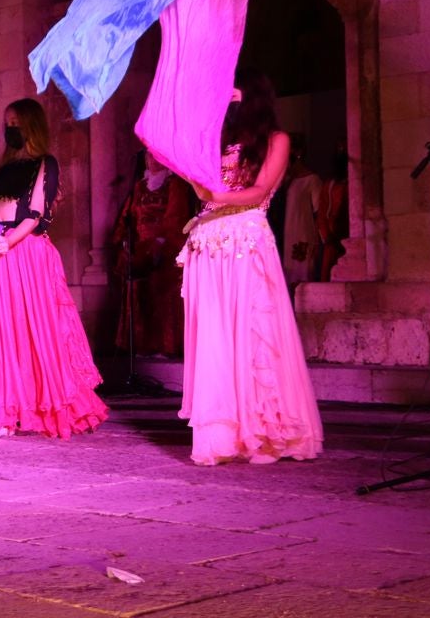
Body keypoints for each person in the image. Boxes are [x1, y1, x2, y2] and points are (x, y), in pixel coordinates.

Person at [177, 70, 324, 465]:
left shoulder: (276, 140)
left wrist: (216, 195)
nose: (225, 99)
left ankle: (265, 430)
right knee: (216, 339)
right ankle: (224, 434)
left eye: (232, 92)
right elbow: (200, 185)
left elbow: (259, 191)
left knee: (252, 334)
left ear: (251, 94)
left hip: (244, 239)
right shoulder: (217, 141)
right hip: (208, 243)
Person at [0, 97, 109, 439]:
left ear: (29, 124)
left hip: (24, 252)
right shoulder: (5, 166)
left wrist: (9, 241)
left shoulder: (45, 163)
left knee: (33, 330)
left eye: (15, 121)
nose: (9, 127)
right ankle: (3, 414)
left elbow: (35, 214)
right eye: (7, 122)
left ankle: (43, 406)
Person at [111, 151, 194, 357]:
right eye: (149, 157)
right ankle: (142, 345)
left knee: (162, 290)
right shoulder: (140, 186)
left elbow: (176, 216)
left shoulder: (175, 185)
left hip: (165, 247)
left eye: (156, 157)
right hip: (140, 247)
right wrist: (123, 238)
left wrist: (160, 242)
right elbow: (128, 215)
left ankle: (165, 347)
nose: (152, 161)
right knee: (138, 290)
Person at [281, 134, 323, 288]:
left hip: (303, 234)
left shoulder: (312, 180)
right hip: (287, 234)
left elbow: (318, 211)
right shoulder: (287, 180)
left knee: (302, 276)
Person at [317, 143, 349, 282]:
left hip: (348, 234)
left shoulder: (352, 184)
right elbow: (322, 213)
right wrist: (327, 236)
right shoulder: (329, 185)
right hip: (332, 237)